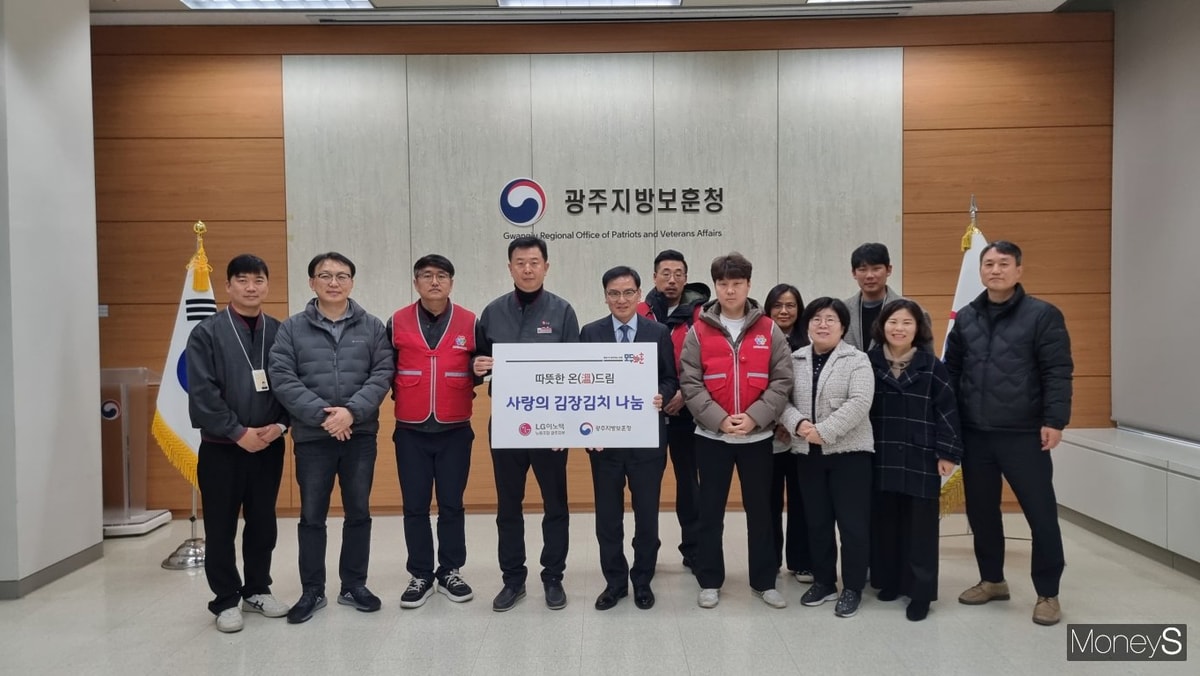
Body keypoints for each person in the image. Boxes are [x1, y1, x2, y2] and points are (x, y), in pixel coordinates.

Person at [944, 240, 1073, 627]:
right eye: (988, 264)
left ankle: (1048, 593)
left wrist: (1055, 420)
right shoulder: (966, 317)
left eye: (1003, 264)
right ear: (980, 271)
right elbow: (951, 373)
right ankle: (992, 580)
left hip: (1024, 434)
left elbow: (1057, 371)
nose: (995, 270)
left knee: (1040, 514)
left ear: (1019, 270)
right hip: (975, 434)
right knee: (982, 513)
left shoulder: (1042, 315)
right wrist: (950, 426)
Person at [268, 252, 394, 624]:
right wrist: (327, 417)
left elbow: (382, 373)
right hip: (312, 437)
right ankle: (312, 590)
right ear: (312, 282)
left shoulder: (372, 327)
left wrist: (351, 413)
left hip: (360, 434)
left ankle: (354, 585)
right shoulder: (291, 329)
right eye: (325, 275)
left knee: (358, 512)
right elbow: (282, 377)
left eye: (341, 275)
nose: (333, 282)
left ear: (352, 282)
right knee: (312, 516)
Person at [678, 252, 793, 610]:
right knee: (710, 512)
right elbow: (690, 383)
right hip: (712, 438)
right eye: (723, 283)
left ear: (748, 285)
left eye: (737, 283)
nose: (730, 290)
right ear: (715, 286)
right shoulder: (698, 331)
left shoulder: (769, 330)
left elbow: (782, 380)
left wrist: (756, 417)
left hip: (757, 438)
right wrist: (719, 419)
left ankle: (764, 581)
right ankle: (709, 580)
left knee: (761, 512)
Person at [474, 235, 580, 612]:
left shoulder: (563, 311)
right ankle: (512, 579)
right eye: (520, 263)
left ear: (546, 267)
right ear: (510, 268)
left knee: (555, 504)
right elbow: (477, 362)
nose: (528, 269)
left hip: (551, 426)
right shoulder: (492, 312)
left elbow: (576, 372)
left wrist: (567, 425)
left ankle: (553, 577)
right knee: (508, 505)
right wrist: (476, 366)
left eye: (534, 262)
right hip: (506, 423)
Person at [186, 254, 291, 633]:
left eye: (258, 280)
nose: (251, 287)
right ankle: (226, 598)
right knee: (221, 525)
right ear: (228, 286)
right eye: (242, 280)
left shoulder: (280, 331)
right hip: (222, 447)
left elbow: (291, 384)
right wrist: (237, 432)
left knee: (263, 521)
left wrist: (281, 425)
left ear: (267, 285)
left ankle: (258, 589)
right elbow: (203, 393)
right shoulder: (206, 333)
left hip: (269, 443)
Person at [579, 266, 678, 611]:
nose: (621, 300)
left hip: (646, 441)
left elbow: (670, 379)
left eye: (628, 292)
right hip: (604, 443)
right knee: (608, 518)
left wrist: (662, 395)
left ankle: (642, 580)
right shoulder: (590, 333)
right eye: (614, 293)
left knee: (646, 516)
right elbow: (581, 383)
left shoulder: (657, 332)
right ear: (605, 297)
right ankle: (615, 582)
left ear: (639, 294)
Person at [388, 254, 478, 609]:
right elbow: (384, 367)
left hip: (455, 428)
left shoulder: (470, 321)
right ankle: (421, 574)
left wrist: (478, 369)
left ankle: (450, 570)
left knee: (452, 504)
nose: (434, 281)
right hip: (410, 430)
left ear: (451, 282)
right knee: (415, 505)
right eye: (426, 275)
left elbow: (482, 365)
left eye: (442, 275)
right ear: (416, 283)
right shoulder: (396, 321)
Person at [866, 299, 963, 621]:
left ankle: (920, 593)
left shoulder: (932, 365)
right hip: (879, 454)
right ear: (882, 326)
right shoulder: (867, 362)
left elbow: (947, 411)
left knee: (920, 528)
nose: (899, 328)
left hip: (920, 455)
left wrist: (947, 452)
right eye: (893, 322)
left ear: (918, 328)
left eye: (907, 322)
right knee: (884, 523)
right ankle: (889, 581)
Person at [779, 297, 875, 618]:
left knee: (852, 525)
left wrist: (824, 431)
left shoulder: (857, 359)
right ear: (807, 325)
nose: (823, 325)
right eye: (816, 319)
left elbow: (859, 402)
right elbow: (781, 399)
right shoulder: (794, 359)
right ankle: (824, 582)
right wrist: (798, 425)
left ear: (843, 327)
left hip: (849, 454)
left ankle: (852, 587)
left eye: (830, 319)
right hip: (808, 453)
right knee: (817, 522)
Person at [637, 249, 711, 570]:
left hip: (686, 411)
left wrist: (684, 393)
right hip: (644, 414)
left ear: (686, 277)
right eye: (665, 273)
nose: (671, 280)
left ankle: (693, 549)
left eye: (678, 274)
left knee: (689, 483)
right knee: (645, 486)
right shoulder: (638, 312)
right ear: (654, 277)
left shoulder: (702, 315)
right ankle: (646, 553)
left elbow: (710, 361)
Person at [764, 283, 814, 586]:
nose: (784, 311)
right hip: (767, 433)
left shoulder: (811, 342)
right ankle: (768, 560)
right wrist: (775, 421)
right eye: (778, 305)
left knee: (802, 499)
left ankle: (801, 561)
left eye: (791, 305)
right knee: (768, 501)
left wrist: (792, 422)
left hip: (801, 434)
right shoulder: (759, 340)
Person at [842, 243, 932, 352]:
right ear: (854, 273)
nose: (869, 275)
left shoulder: (914, 311)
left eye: (876, 269)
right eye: (862, 269)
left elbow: (927, 357)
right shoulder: (841, 311)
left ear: (889, 270)